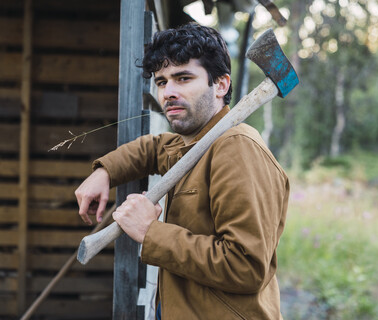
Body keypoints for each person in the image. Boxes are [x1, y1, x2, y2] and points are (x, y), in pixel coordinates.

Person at [74, 23, 289, 319]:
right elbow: (152, 148)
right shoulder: (193, 144)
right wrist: (105, 171)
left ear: (221, 85)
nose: (169, 93)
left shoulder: (237, 149)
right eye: (161, 82)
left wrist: (151, 232)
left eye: (183, 78)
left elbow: (246, 267)